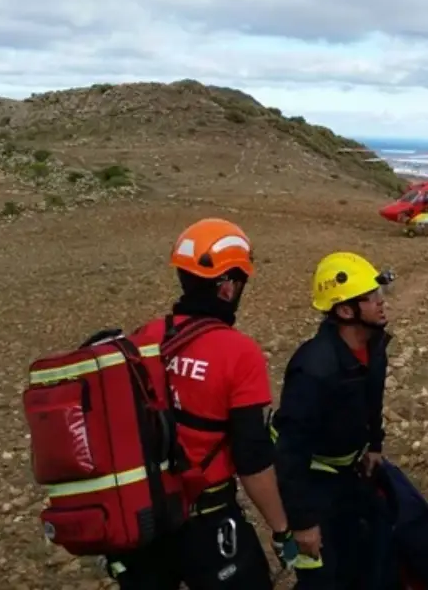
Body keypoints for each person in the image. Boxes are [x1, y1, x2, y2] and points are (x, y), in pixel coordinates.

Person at [106, 218, 297, 589]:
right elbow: (252, 458)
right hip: (206, 521)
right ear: (227, 287)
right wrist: (281, 529)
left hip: (142, 520)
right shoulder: (240, 354)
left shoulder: (145, 337)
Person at [271, 251, 395, 589]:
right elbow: (289, 453)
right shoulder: (314, 369)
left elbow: (372, 401)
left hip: (349, 475)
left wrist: (374, 445)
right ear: (345, 310)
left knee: (367, 557)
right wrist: (303, 523)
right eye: (372, 298)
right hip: (313, 484)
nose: (382, 303)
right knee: (322, 580)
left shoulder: (374, 347)